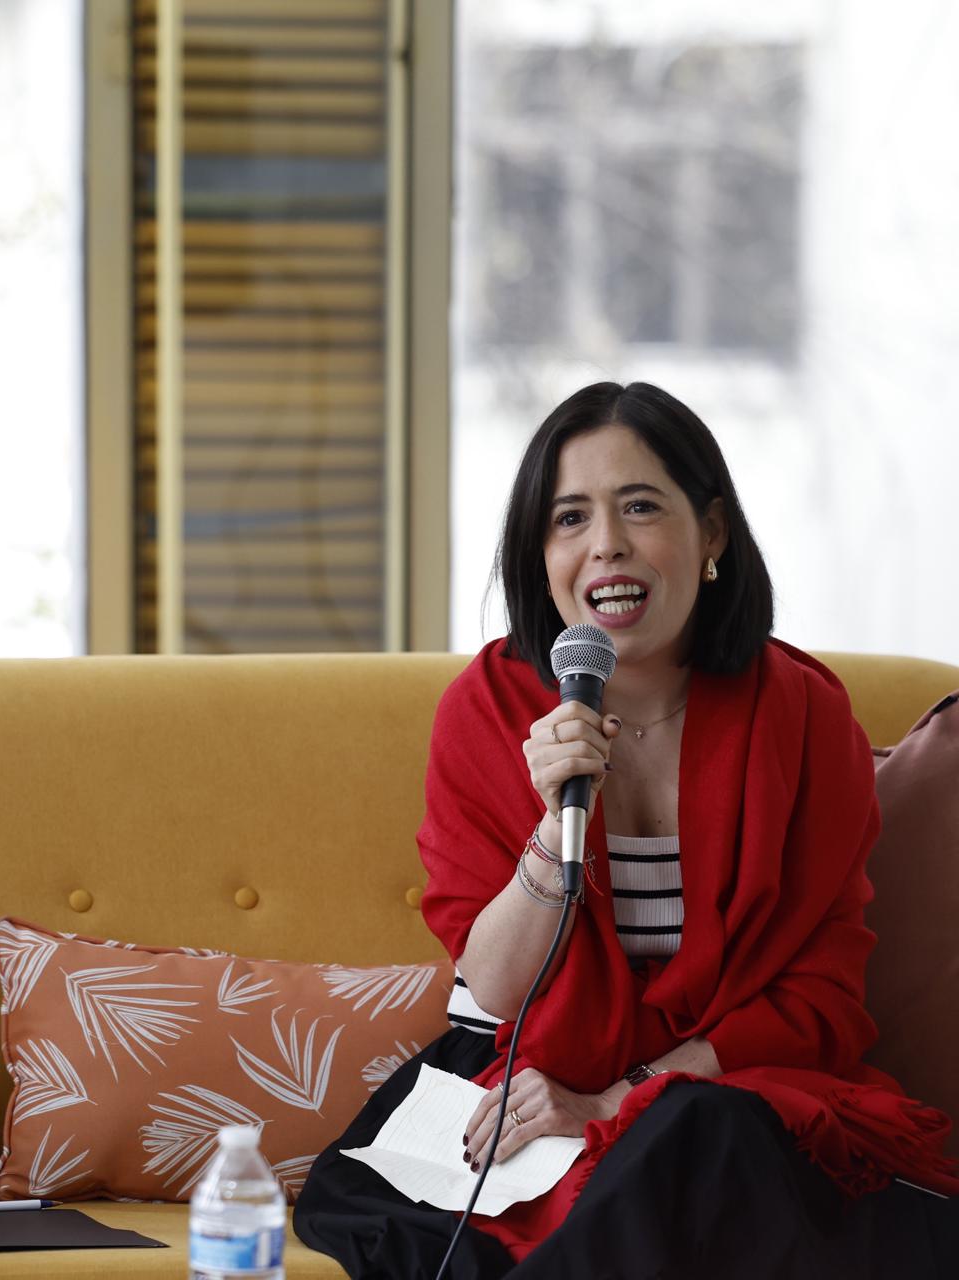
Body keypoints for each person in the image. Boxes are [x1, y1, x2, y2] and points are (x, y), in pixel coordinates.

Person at [291, 382, 959, 1278]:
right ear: (543, 552)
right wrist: (550, 820)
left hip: (736, 1085)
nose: (605, 542)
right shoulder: (484, 711)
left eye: (640, 506)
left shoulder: (803, 717)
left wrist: (619, 1099)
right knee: (378, 1213)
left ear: (712, 534)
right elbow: (491, 988)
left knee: (693, 1141)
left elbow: (819, 999)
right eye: (570, 518)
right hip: (533, 1073)